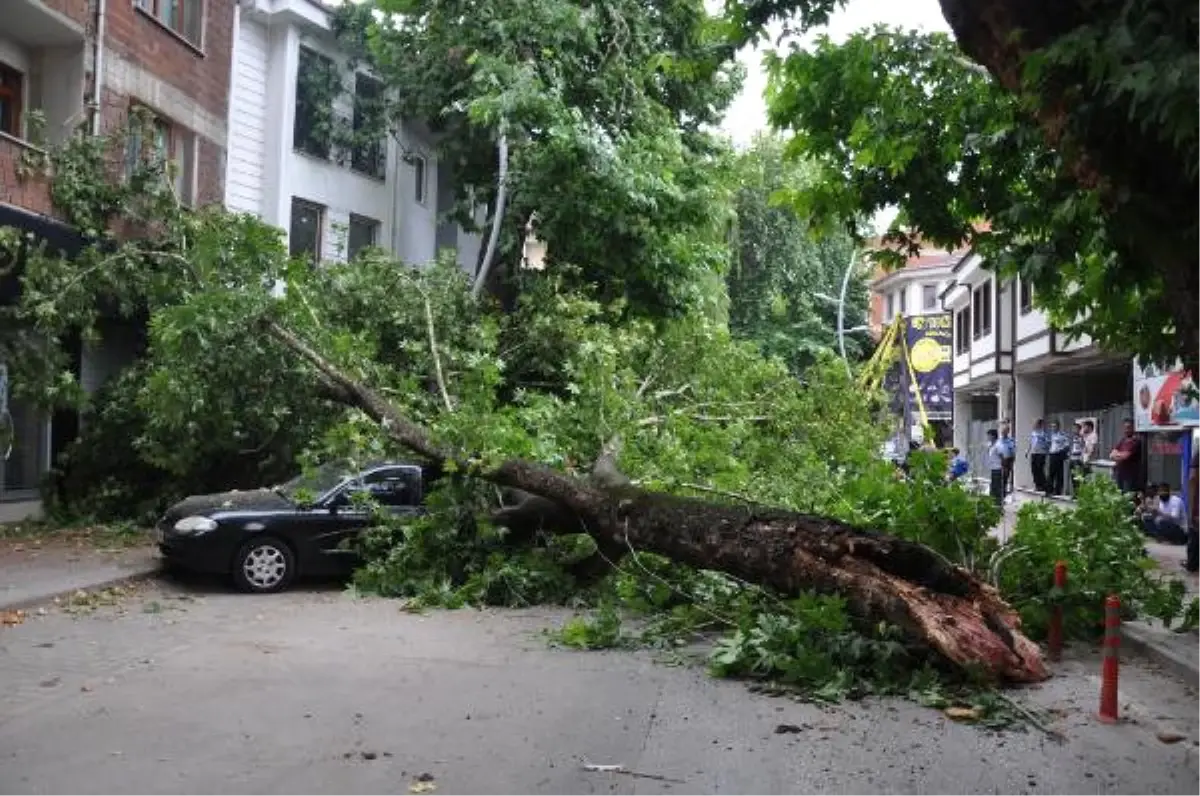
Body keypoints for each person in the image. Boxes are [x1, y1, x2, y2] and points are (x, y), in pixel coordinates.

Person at [1110, 419, 1143, 494]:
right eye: (1125, 427)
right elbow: (1111, 454)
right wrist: (1120, 454)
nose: (1126, 430)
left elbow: (1125, 457)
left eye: (1128, 427)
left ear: (1133, 428)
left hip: (1130, 475)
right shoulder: (1123, 440)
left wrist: (1118, 454)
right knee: (1119, 495)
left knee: (1128, 497)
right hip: (1120, 473)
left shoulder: (1136, 440)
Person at [1047, 420, 1070, 496]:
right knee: (1051, 473)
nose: (1053, 428)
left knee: (1059, 474)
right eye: (1052, 426)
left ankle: (1058, 491)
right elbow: (1048, 444)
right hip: (1052, 455)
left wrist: (1062, 451)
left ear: (1058, 426)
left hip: (1059, 455)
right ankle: (1049, 490)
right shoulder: (1050, 435)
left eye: (1054, 426)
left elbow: (1067, 445)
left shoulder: (1062, 435)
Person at [1027, 418, 1049, 493]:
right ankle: (1037, 485)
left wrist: (1046, 450)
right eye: (1035, 424)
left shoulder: (1044, 433)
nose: (1035, 425)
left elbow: (1047, 443)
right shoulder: (1033, 433)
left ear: (1040, 425)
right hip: (1034, 453)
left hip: (1041, 453)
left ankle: (1044, 486)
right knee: (1034, 469)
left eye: (1036, 424)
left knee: (1040, 469)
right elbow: (1031, 443)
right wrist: (1028, 451)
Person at [985, 429, 1005, 507]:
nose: (988, 437)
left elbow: (1002, 456)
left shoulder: (998, 445)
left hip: (997, 468)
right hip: (993, 468)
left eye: (989, 435)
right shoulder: (991, 445)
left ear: (993, 436)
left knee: (997, 487)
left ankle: (998, 504)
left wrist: (1003, 467)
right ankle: (993, 503)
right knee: (993, 486)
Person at [999, 422, 1017, 498]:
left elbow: (1013, 452)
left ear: (1008, 431)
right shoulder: (999, 441)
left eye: (1005, 430)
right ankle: (1000, 491)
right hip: (999, 460)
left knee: (1005, 476)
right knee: (1000, 476)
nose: (1003, 432)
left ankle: (1003, 492)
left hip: (1007, 460)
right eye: (1002, 430)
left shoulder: (1011, 441)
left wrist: (1012, 461)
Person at [1068, 421, 1086, 493]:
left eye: (1075, 428)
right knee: (1073, 477)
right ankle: (1075, 492)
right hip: (1072, 459)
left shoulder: (1081, 438)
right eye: (1073, 428)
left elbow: (1083, 448)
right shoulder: (1071, 438)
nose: (1074, 430)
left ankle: (1079, 492)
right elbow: (1070, 447)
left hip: (1078, 459)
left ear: (1079, 429)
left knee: (1078, 477)